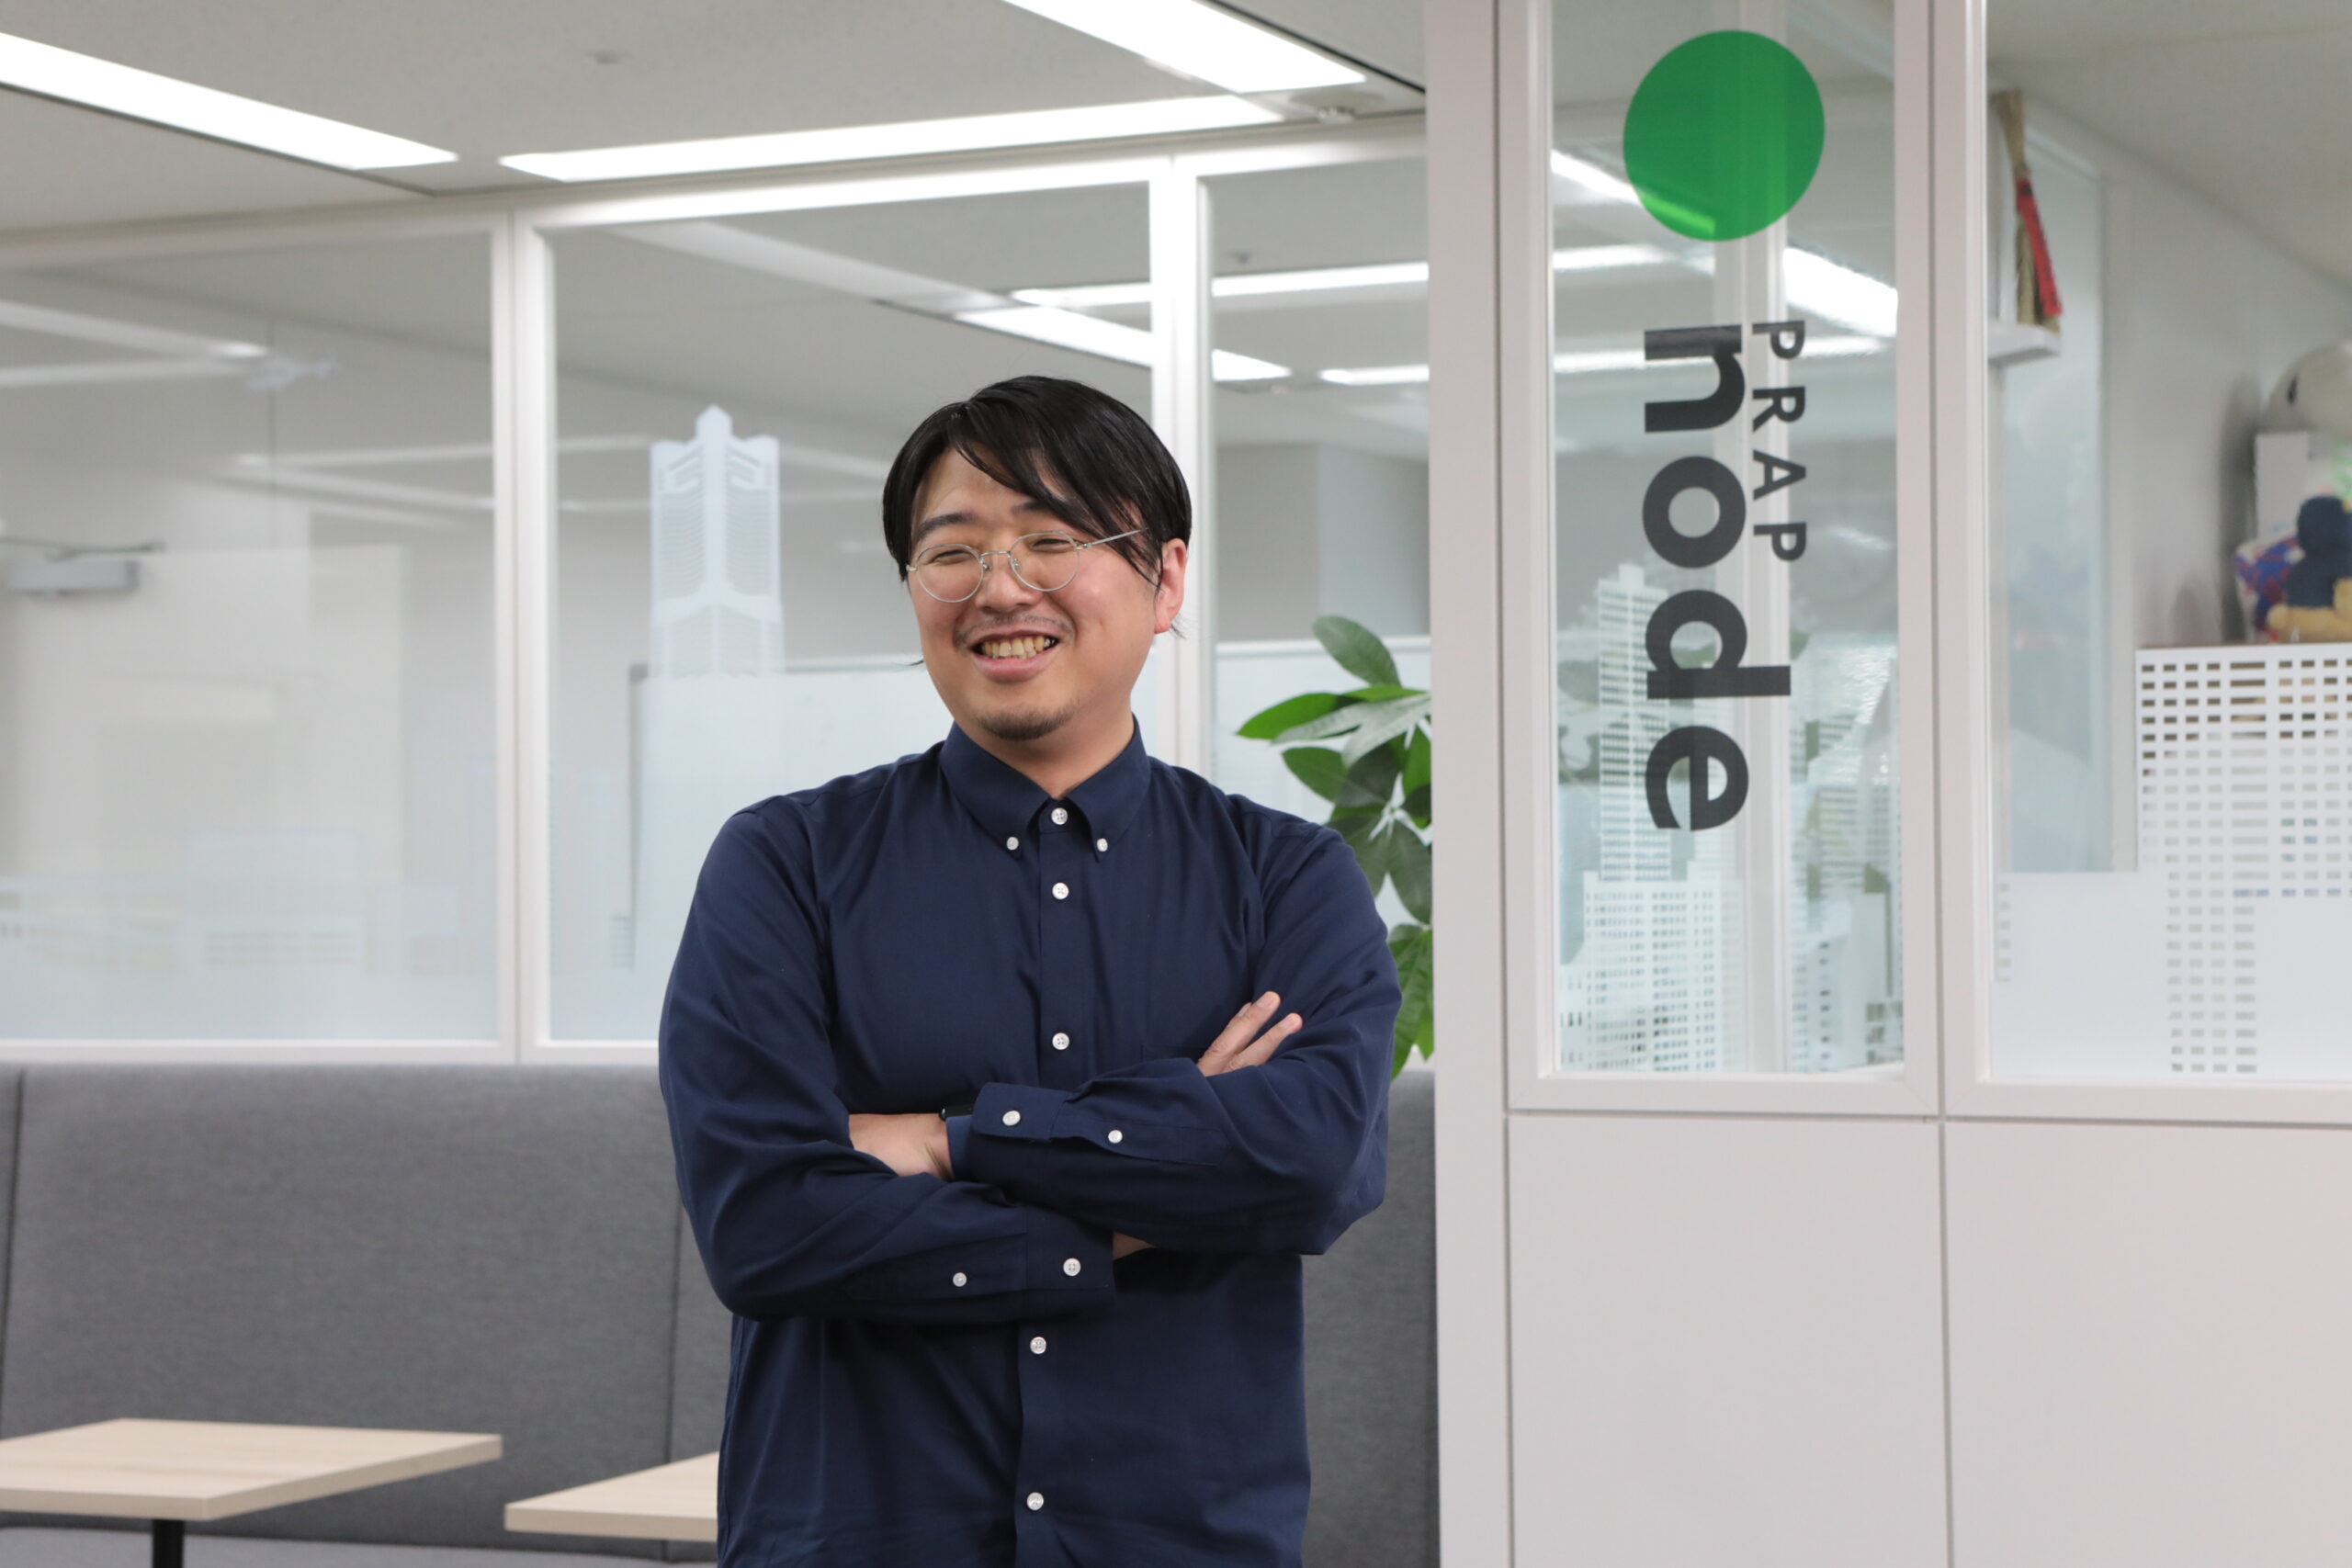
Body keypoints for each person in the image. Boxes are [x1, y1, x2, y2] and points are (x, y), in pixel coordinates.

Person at [658, 374, 1400, 1568]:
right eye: (953, 552)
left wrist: (953, 1140)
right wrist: (1166, 1178)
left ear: (1165, 580)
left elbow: (1308, 1167)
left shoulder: (1287, 879)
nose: (1001, 589)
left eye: (1052, 541)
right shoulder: (786, 865)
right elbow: (767, 1227)